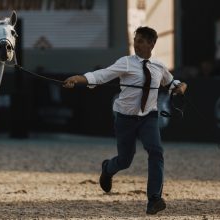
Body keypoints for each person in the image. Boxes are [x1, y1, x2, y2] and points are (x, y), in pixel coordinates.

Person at [63, 26, 187, 215]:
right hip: (125, 118)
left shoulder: (159, 66)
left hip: (149, 117)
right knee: (125, 160)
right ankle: (108, 168)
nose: (135, 44)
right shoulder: (126, 62)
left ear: (151, 43)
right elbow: (102, 75)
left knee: (156, 151)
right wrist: (79, 79)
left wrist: (181, 87)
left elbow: (171, 84)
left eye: (139, 41)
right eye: (135, 40)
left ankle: (154, 198)